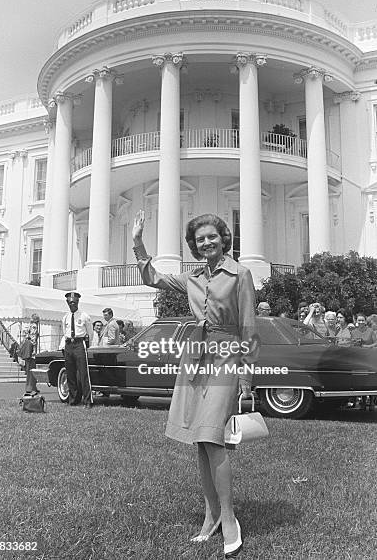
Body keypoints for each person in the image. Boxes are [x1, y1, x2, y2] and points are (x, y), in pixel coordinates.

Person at [132, 210, 259, 558]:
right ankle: (210, 515)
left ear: (224, 239)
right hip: (194, 357)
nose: (206, 243)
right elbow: (154, 278)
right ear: (194, 245)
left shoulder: (241, 274)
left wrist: (246, 374)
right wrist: (138, 243)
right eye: (200, 239)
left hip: (226, 356)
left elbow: (249, 325)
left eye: (212, 237)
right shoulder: (192, 278)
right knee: (198, 442)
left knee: (212, 437)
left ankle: (229, 518)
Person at [60, 292, 93, 407]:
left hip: (79, 344)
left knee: (83, 374)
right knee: (70, 373)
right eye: (70, 303)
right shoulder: (65, 317)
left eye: (74, 302)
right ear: (67, 303)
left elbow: (90, 333)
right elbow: (65, 333)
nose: (72, 304)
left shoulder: (84, 316)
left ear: (78, 302)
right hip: (69, 345)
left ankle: (87, 400)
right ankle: (73, 399)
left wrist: (87, 345)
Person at [20, 313, 40, 396]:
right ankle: (30, 387)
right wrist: (34, 350)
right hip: (31, 352)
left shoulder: (29, 325)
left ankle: (32, 387)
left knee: (29, 370)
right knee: (31, 370)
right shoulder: (34, 326)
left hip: (28, 351)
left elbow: (26, 336)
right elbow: (33, 339)